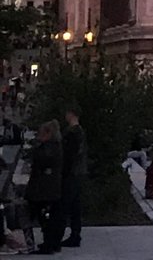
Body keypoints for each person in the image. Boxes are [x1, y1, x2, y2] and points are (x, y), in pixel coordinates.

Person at [25, 120, 64, 255]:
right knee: (47, 216)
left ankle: (48, 244)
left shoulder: (49, 148)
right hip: (47, 187)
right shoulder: (54, 146)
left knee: (44, 215)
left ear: (48, 134)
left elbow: (40, 161)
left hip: (44, 189)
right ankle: (52, 242)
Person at [59, 106, 86, 250]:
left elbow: (70, 155)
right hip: (78, 173)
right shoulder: (80, 132)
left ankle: (58, 235)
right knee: (75, 206)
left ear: (71, 114)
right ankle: (75, 234)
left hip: (71, 174)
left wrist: (64, 171)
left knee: (65, 205)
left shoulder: (72, 133)